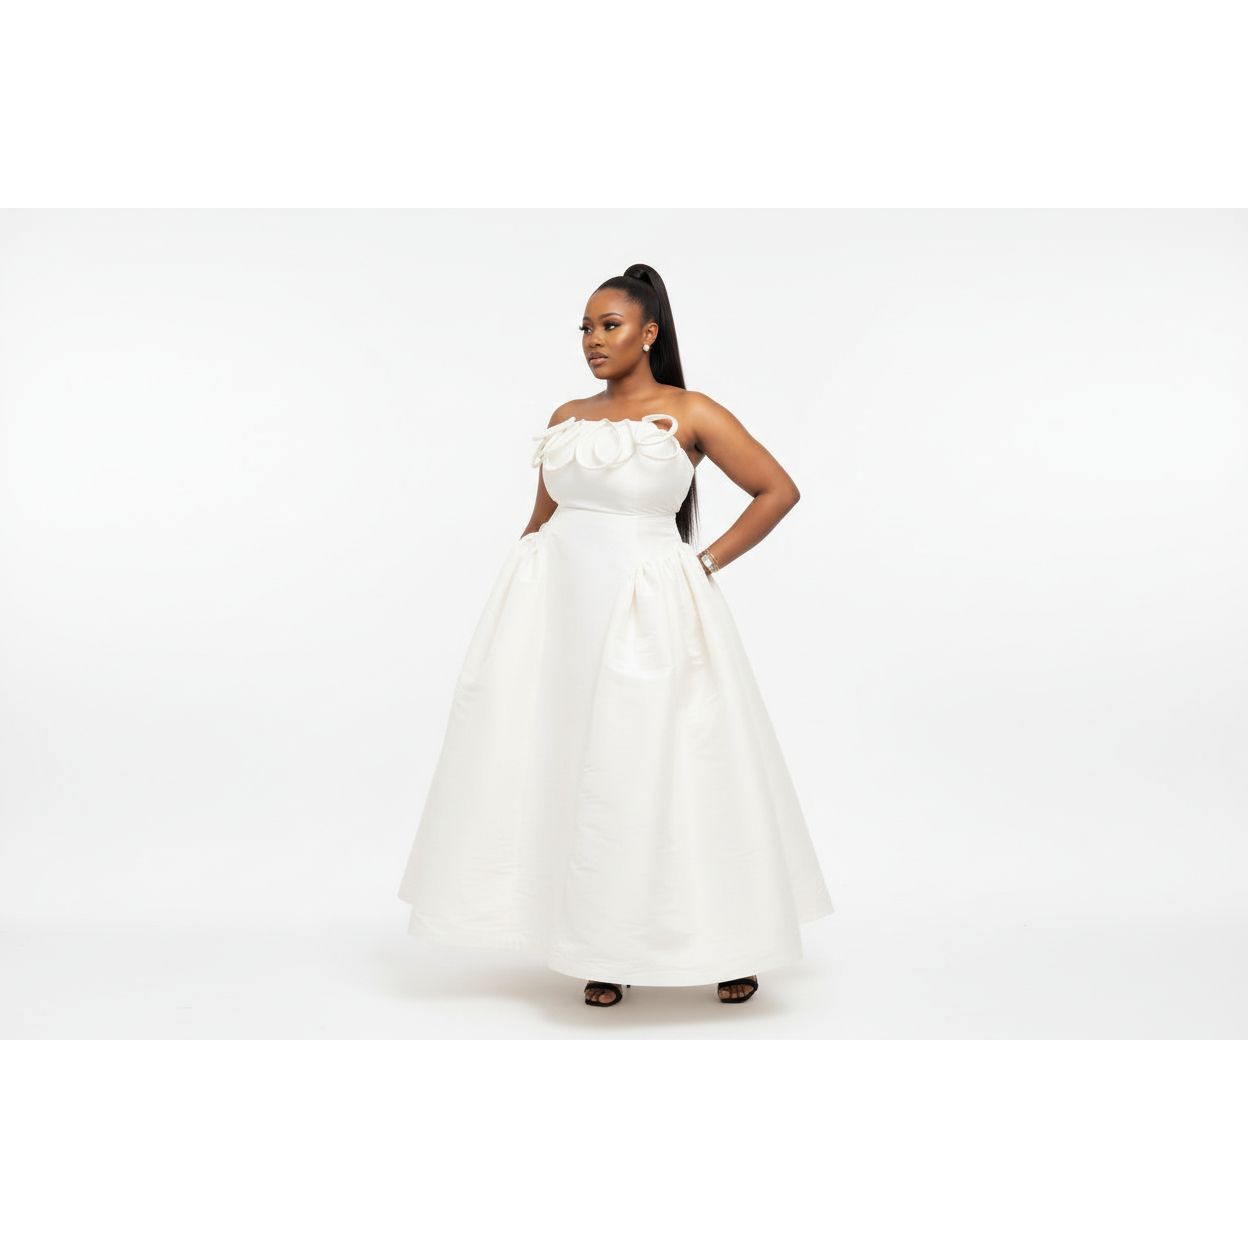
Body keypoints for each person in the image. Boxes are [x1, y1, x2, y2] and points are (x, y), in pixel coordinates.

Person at [397, 263, 834, 1008]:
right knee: (583, 771)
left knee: (672, 767)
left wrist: (702, 565)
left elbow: (777, 489)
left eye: (610, 326)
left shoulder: (690, 412)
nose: (593, 340)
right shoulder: (568, 415)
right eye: (585, 328)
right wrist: (512, 614)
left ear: (649, 333)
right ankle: (602, 944)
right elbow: (542, 518)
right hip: (563, 614)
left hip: (652, 613)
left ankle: (733, 942)